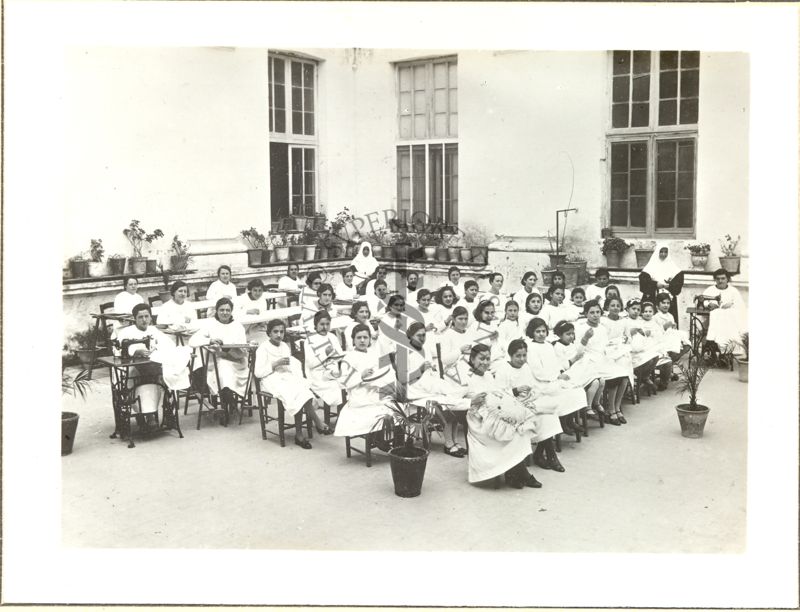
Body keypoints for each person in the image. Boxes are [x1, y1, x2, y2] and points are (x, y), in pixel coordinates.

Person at [463, 344, 544, 488]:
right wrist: (470, 401)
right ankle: (521, 474)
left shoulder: (488, 375)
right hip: (479, 422)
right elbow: (451, 401)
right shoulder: (466, 377)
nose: (485, 362)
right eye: (481, 358)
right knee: (513, 433)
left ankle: (513, 474)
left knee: (520, 429)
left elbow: (498, 394)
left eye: (488, 359)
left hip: (494, 416)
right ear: (472, 358)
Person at [492, 339, 564, 481]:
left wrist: (531, 394)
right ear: (510, 355)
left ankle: (545, 453)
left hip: (528, 403)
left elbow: (533, 387)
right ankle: (549, 455)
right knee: (539, 416)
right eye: (518, 356)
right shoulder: (503, 369)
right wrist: (515, 391)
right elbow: (498, 395)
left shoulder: (526, 368)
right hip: (511, 407)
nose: (522, 359)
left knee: (549, 415)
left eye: (524, 355)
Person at [115, 303, 193, 428]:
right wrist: (134, 352)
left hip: (152, 367)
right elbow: (118, 352)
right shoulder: (126, 332)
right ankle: (148, 414)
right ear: (134, 318)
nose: (144, 320)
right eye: (140, 317)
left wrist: (157, 350)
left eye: (147, 316)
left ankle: (157, 411)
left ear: (151, 317)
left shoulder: (154, 330)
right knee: (148, 377)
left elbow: (169, 345)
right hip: (133, 369)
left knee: (166, 374)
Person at [254, 319, 329, 448]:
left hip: (285, 376)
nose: (279, 335)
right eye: (275, 332)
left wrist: (293, 371)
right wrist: (275, 364)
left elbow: (291, 366)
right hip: (270, 379)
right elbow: (258, 373)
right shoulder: (263, 348)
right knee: (295, 392)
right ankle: (317, 423)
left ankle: (300, 434)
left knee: (301, 390)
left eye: (281, 332)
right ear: (269, 333)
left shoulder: (284, 346)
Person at [403, 322, 469, 457]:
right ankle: (449, 443)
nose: (422, 338)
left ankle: (455, 441)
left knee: (452, 400)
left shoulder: (425, 349)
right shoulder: (404, 352)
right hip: (415, 387)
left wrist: (431, 368)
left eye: (423, 335)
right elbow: (403, 379)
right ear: (410, 336)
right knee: (448, 399)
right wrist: (420, 370)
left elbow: (432, 369)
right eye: (418, 335)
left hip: (427, 383)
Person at [524, 317, 587, 443]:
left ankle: (568, 420)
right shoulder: (530, 347)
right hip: (540, 383)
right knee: (562, 394)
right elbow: (538, 372)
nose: (541, 334)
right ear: (532, 332)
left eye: (543, 331)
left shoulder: (548, 345)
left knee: (577, 391)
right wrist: (555, 377)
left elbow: (556, 363)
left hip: (553, 379)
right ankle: (563, 423)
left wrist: (560, 373)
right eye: (538, 331)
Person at [189, 297, 253, 418]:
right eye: (221, 310)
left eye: (227, 310)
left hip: (237, 361)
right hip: (216, 363)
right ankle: (228, 402)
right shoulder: (210, 325)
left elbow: (243, 350)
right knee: (223, 368)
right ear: (216, 311)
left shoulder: (237, 326)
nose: (225, 313)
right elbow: (192, 341)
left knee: (225, 368)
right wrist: (209, 340)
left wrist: (230, 349)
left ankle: (227, 401)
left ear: (231, 311)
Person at [335, 323, 397, 444]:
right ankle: (381, 441)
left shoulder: (373, 354)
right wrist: (360, 376)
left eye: (365, 337)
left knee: (396, 406)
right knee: (383, 409)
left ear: (369, 339)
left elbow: (383, 370)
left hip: (376, 391)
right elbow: (343, 383)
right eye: (359, 338)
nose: (362, 340)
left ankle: (395, 444)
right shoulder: (349, 358)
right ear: (353, 340)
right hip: (360, 394)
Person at [574, 300, 631, 426]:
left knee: (624, 375)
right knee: (615, 376)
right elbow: (578, 352)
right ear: (586, 314)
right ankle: (611, 410)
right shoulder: (581, 328)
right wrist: (585, 338)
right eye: (592, 312)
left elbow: (604, 347)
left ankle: (617, 408)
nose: (595, 315)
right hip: (588, 361)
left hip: (602, 359)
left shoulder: (602, 328)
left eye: (598, 312)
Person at [551, 321, 604, 419]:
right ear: (559, 335)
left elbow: (580, 351)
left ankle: (595, 403)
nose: (571, 336)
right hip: (568, 373)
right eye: (568, 334)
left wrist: (586, 338)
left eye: (572, 333)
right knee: (595, 382)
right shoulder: (557, 347)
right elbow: (560, 365)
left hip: (577, 369)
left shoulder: (572, 345)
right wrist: (574, 359)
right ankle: (588, 407)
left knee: (601, 381)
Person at [303, 311, 344, 419]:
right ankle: (334, 420)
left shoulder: (333, 337)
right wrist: (325, 353)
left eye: (327, 324)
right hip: (316, 374)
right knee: (336, 388)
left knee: (347, 385)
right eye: (322, 324)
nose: (325, 327)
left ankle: (342, 418)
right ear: (315, 325)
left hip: (332, 370)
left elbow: (339, 355)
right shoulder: (309, 340)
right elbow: (311, 364)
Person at [702, 268, 748, 355]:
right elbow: (703, 300)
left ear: (728, 279)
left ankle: (724, 350)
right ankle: (718, 348)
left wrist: (731, 306)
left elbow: (741, 306)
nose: (720, 281)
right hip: (711, 321)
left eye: (723, 278)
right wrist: (708, 305)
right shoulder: (710, 290)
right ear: (715, 279)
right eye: (718, 279)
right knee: (717, 313)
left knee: (727, 316)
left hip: (730, 322)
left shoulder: (733, 291)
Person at [639, 243, 684, 325]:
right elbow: (643, 283)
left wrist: (669, 286)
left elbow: (678, 285)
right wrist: (656, 284)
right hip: (652, 298)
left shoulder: (673, 267)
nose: (663, 254)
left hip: (667, 300)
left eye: (665, 252)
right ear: (657, 252)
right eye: (661, 251)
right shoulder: (650, 267)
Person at [623, 298, 660, 398]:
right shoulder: (624, 321)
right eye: (633, 309)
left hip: (640, 347)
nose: (636, 311)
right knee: (647, 360)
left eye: (638, 310)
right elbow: (623, 336)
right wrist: (631, 332)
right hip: (631, 350)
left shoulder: (640, 321)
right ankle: (642, 378)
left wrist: (643, 333)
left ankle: (644, 376)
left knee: (656, 356)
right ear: (627, 309)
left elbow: (644, 334)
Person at [640, 301, 675, 390]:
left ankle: (663, 383)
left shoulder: (655, 322)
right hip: (645, 347)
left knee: (667, 362)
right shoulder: (639, 322)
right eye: (645, 311)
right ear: (641, 312)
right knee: (652, 359)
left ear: (653, 312)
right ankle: (645, 377)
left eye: (650, 311)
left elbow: (660, 335)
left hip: (656, 345)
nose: (648, 314)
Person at [654, 292, 690, 359]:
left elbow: (673, 330)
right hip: (661, 340)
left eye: (668, 303)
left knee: (685, 340)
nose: (666, 305)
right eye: (663, 303)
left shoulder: (670, 316)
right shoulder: (656, 317)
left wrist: (674, 327)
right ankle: (670, 356)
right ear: (658, 305)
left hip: (670, 338)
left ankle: (674, 356)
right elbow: (656, 333)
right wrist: (665, 327)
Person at [234, 279, 270, 343]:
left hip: (255, 328)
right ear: (250, 290)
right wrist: (247, 311)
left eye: (260, 291)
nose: (258, 293)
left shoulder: (262, 300)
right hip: (242, 328)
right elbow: (234, 313)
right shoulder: (242, 298)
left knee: (265, 340)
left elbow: (263, 315)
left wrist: (262, 321)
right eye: (255, 290)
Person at [471, 300, 501, 366]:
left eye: (492, 312)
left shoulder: (493, 324)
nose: (490, 315)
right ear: (480, 313)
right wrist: (490, 339)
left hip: (497, 355)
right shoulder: (475, 326)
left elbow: (499, 342)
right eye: (487, 313)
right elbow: (476, 347)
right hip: (483, 359)